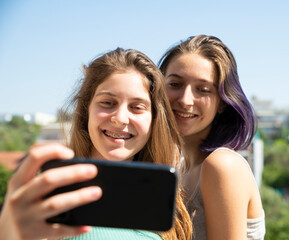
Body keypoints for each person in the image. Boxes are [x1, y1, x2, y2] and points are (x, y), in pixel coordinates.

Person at [0, 48, 192, 240]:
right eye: (108, 103)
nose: (120, 118)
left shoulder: (169, 203)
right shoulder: (49, 191)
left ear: (154, 119)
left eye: (137, 107)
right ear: (86, 111)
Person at [158, 35, 266, 240]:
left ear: (223, 102)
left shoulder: (221, 165)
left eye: (203, 89)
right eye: (175, 84)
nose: (185, 100)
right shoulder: (180, 168)